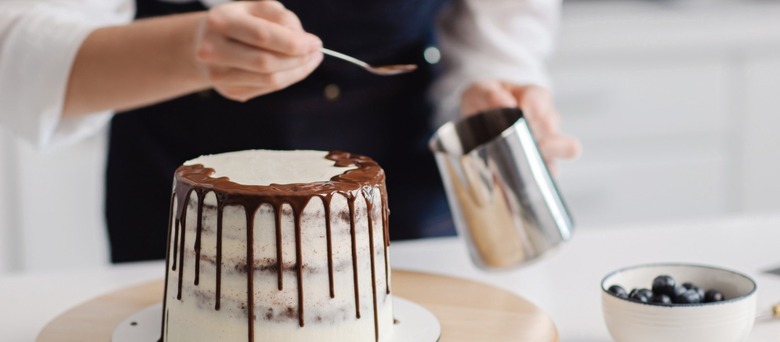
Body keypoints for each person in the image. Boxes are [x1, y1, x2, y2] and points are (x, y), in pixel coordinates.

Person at [0, 0, 580, 263]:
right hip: (183, 212)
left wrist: (485, 90)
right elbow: (19, 53)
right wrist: (191, 50)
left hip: (401, 214)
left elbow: (487, 38)